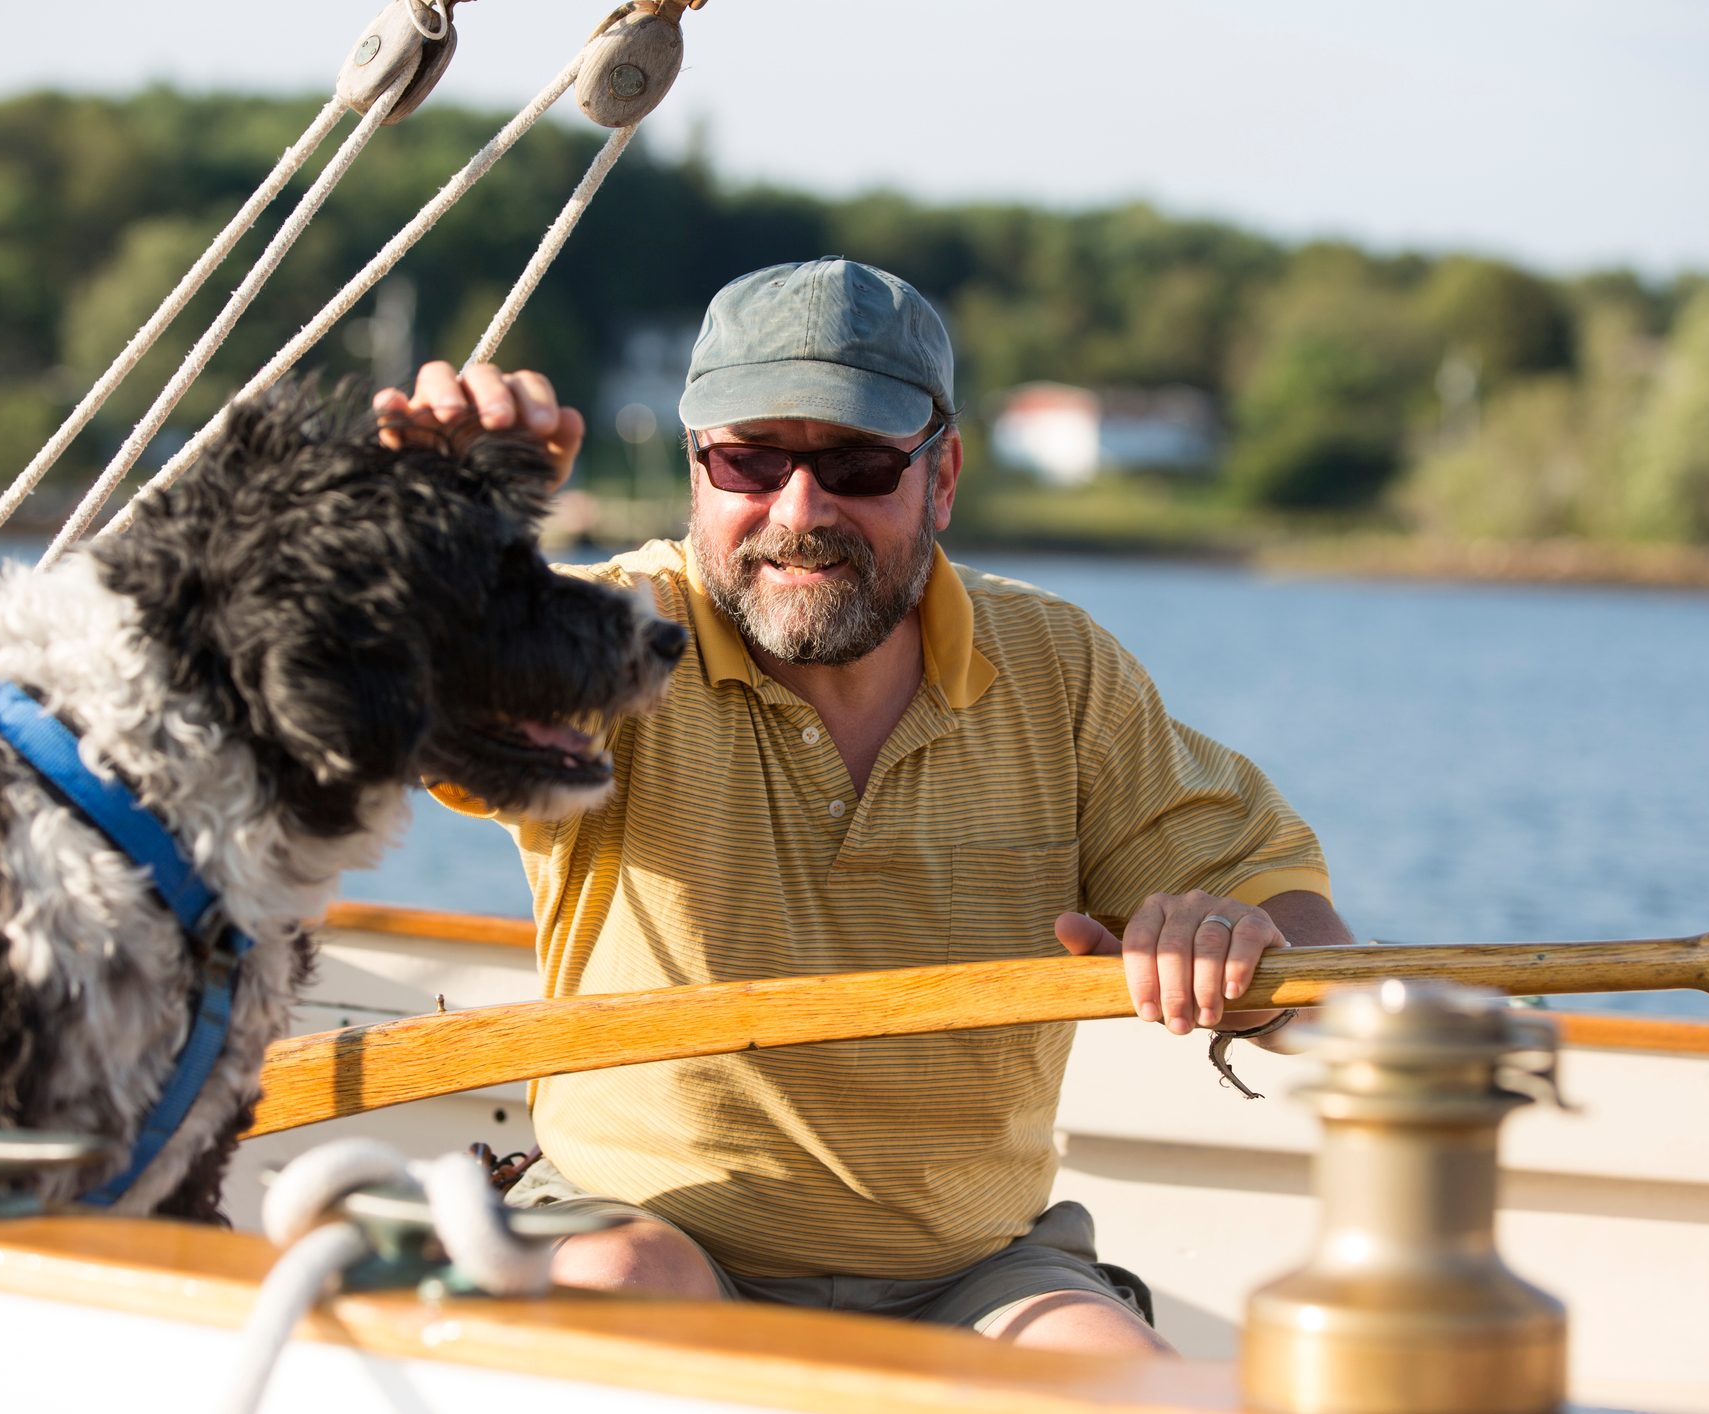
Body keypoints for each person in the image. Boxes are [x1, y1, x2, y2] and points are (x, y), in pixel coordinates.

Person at [377, 257, 1356, 1356]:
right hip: (644, 1228)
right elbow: (419, 697)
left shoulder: (1065, 672)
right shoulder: (615, 633)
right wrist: (450, 536)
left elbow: (1317, 967)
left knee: (1132, 1383)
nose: (801, 511)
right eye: (752, 460)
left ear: (942, 479)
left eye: (854, 464)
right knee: (626, 1282)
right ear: (698, 471)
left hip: (978, 1271)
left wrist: (1249, 970)